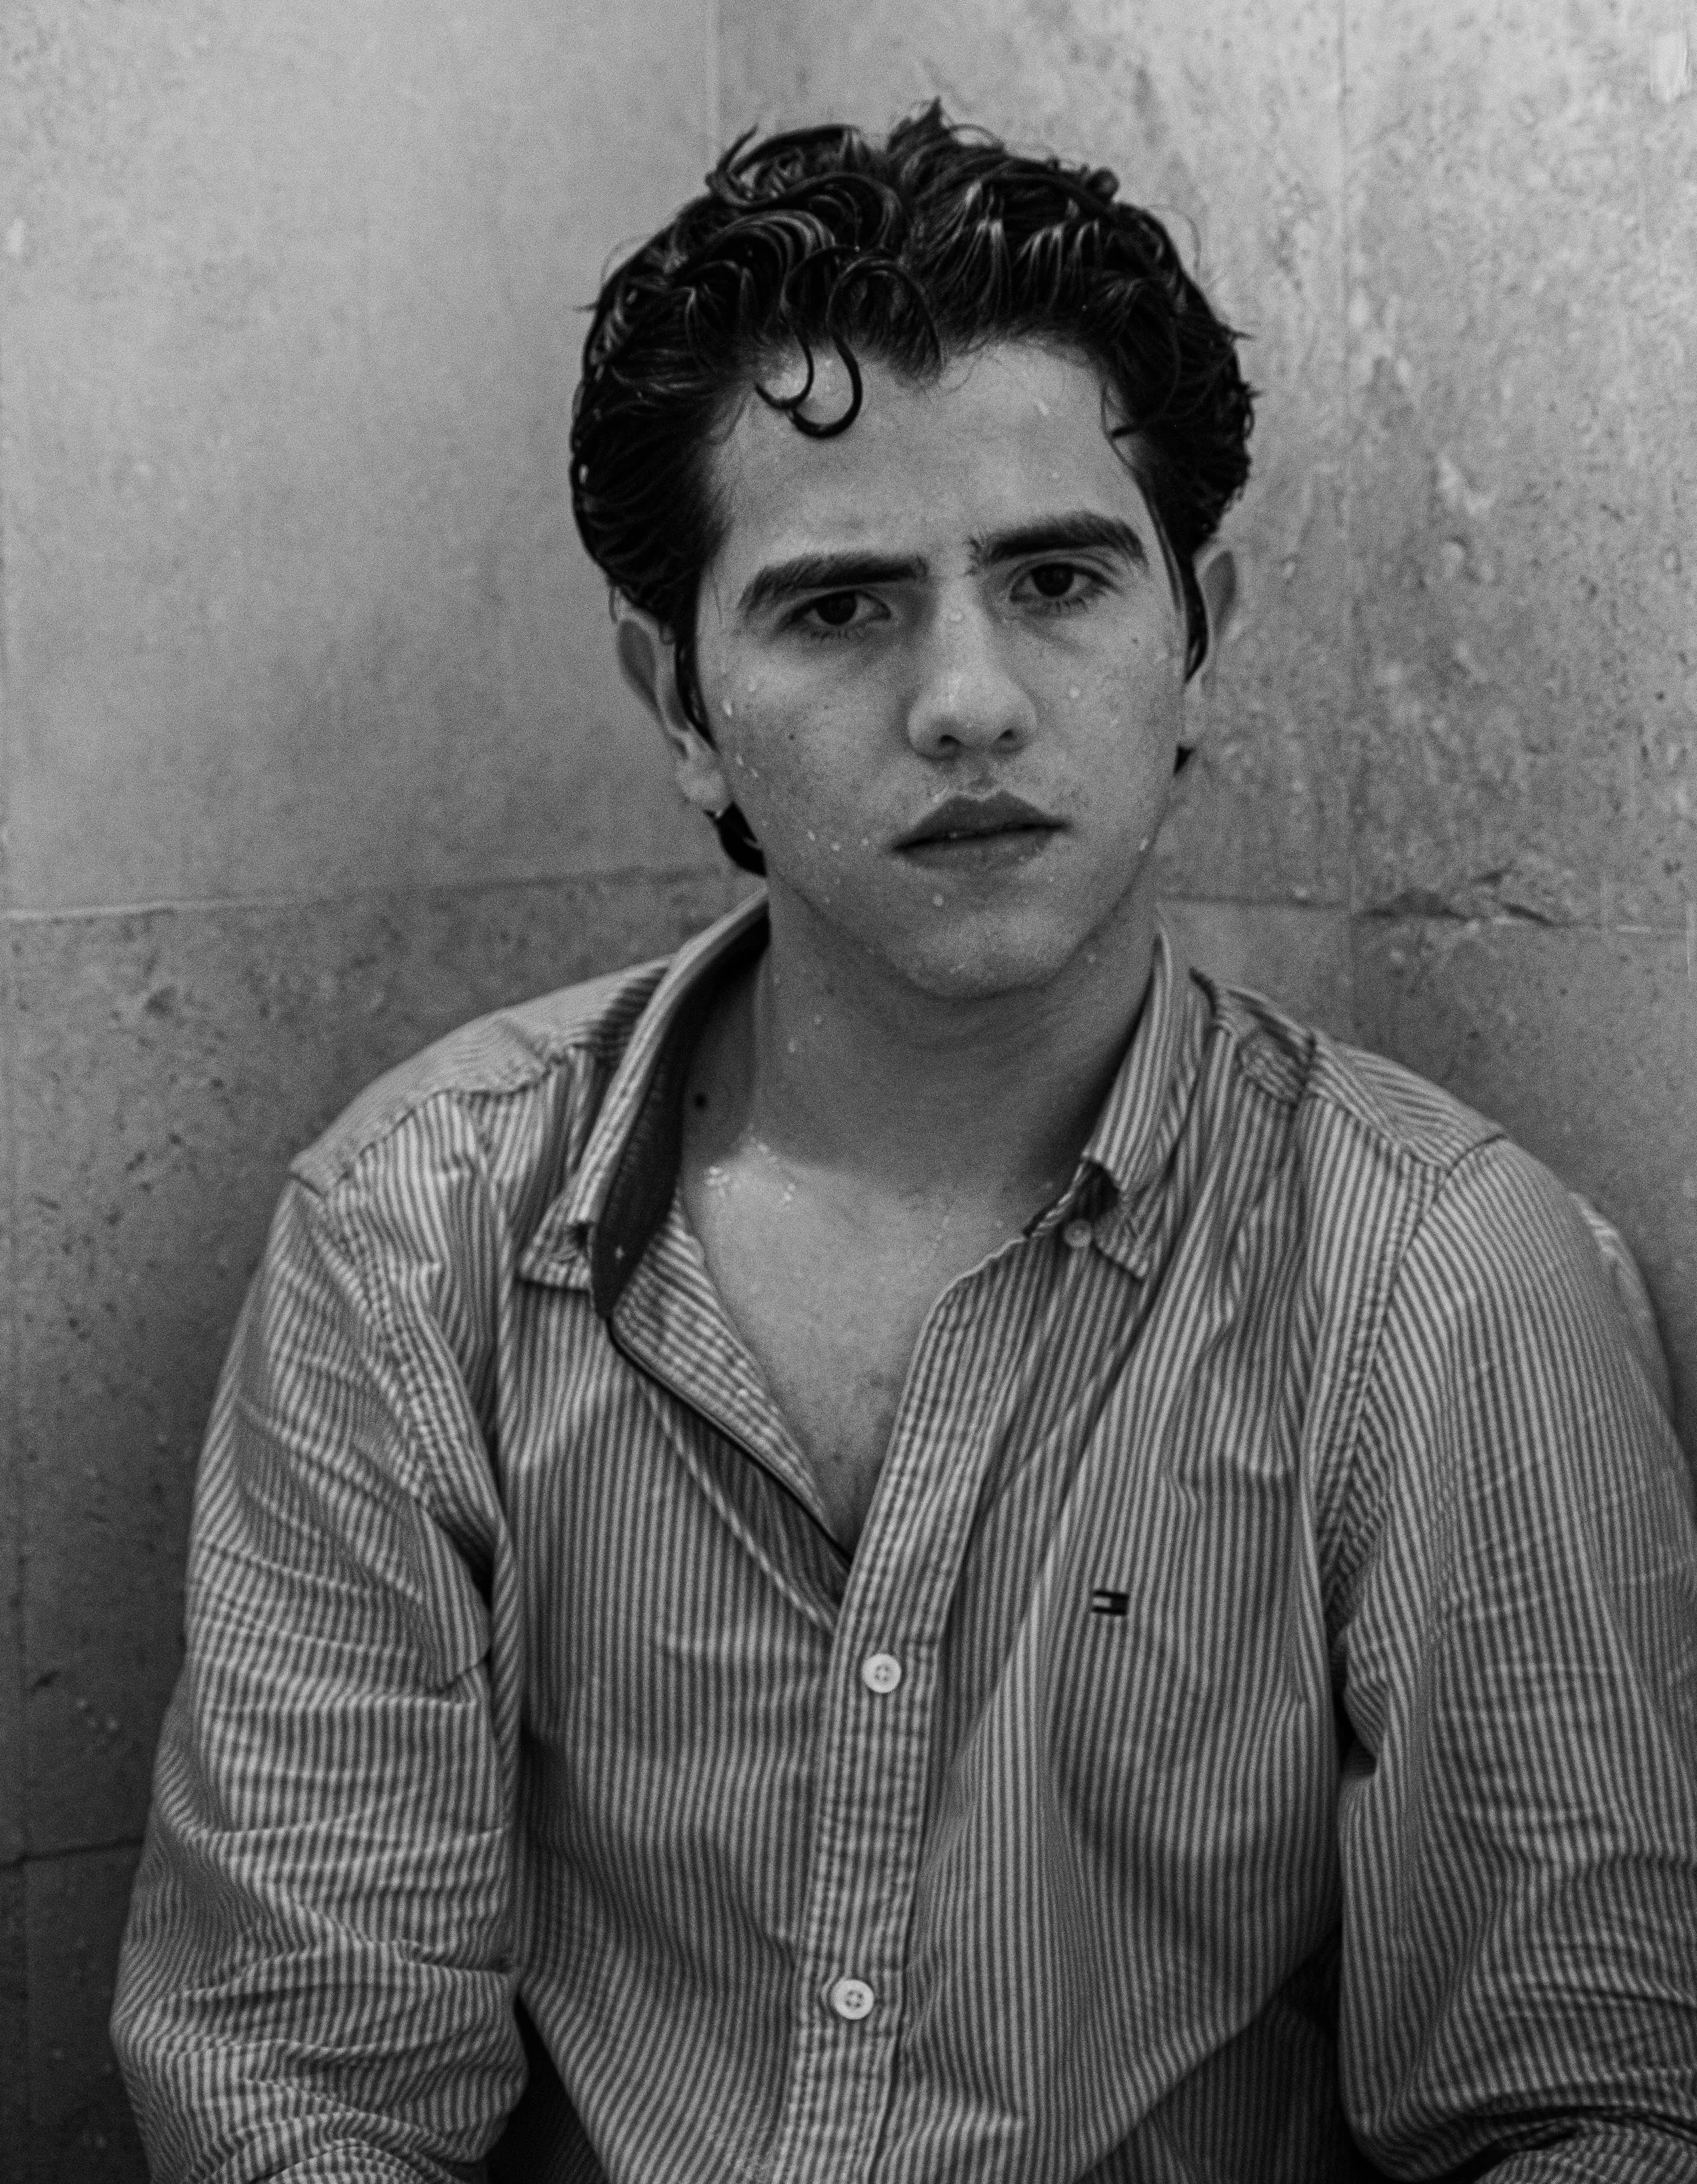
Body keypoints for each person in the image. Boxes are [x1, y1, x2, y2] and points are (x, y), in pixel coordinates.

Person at [113, 107, 1697, 2181]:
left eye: (1054, 579)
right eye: (840, 608)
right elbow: (296, 2084)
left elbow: (1580, 2113)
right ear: (679, 702)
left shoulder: (1445, 1278)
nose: (966, 698)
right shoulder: (414, 1239)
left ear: (1189, 630)